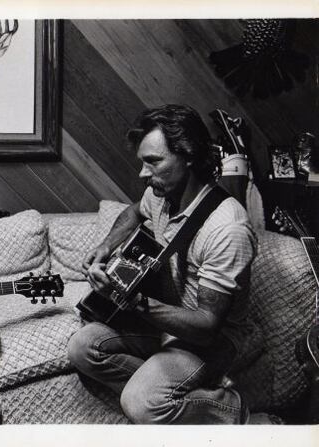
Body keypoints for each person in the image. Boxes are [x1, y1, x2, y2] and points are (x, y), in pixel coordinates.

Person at [68, 104, 257, 424]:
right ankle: (166, 389)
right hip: (164, 324)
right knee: (82, 347)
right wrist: (106, 245)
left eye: (153, 162)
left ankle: (231, 409)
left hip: (208, 342)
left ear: (190, 156)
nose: (143, 174)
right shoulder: (161, 193)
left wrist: (135, 301)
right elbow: (133, 213)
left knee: (140, 404)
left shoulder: (227, 227)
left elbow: (207, 326)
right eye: (142, 162)